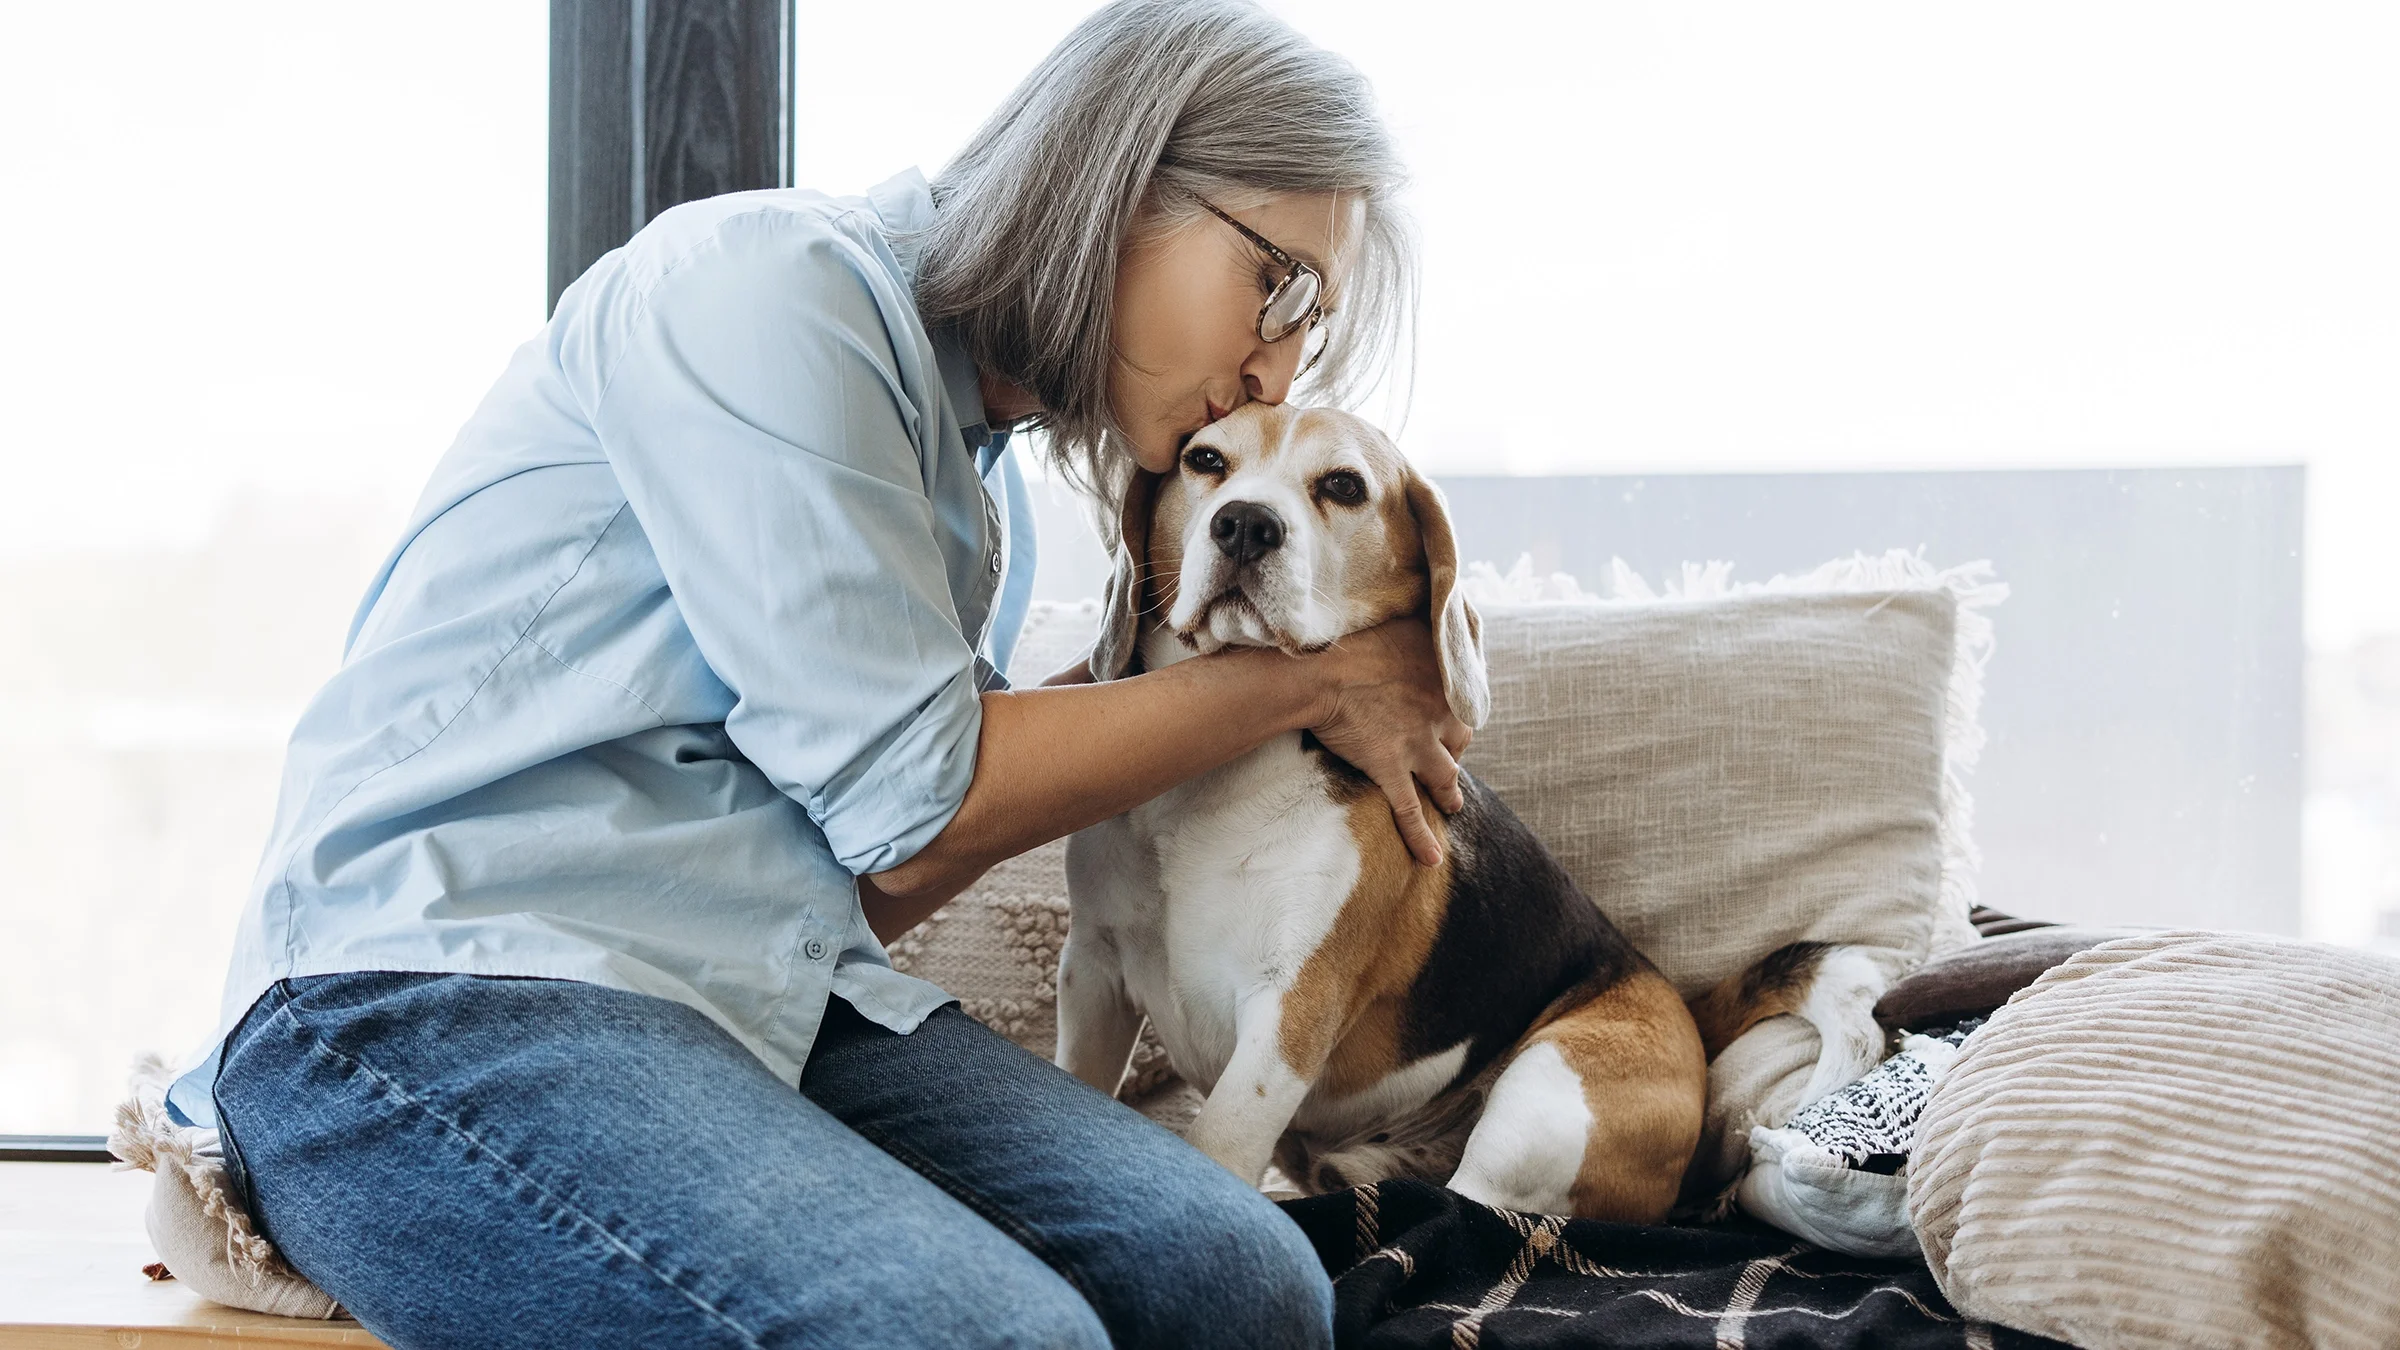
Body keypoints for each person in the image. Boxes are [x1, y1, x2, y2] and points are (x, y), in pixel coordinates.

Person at [172, 1, 1465, 1345]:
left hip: (754, 995)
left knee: (1244, 1285)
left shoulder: (974, 496)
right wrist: (1306, 686)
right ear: (1124, 177)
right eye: (1284, 285)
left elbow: (889, 867)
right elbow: (929, 797)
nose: (1277, 362)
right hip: (425, 992)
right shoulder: (769, 293)